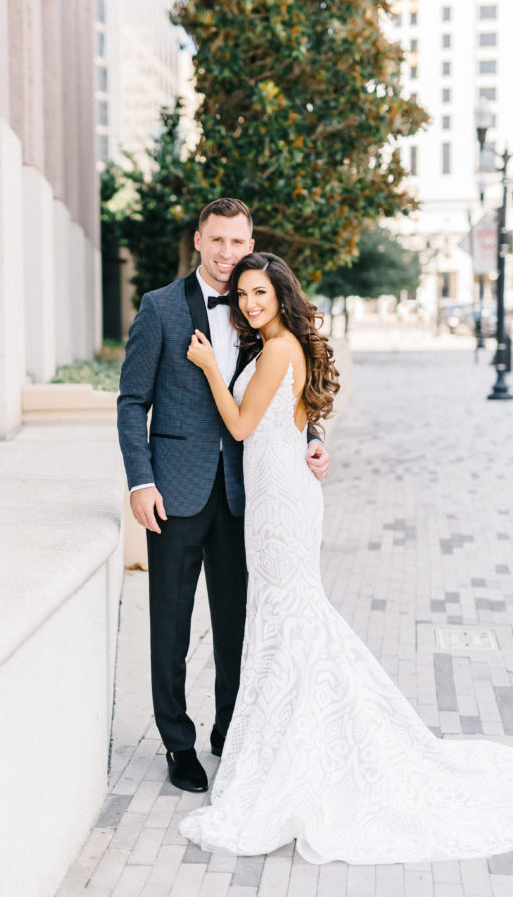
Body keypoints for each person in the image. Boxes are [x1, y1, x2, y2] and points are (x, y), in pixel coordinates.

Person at [179, 251, 513, 863]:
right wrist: (311, 441)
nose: (250, 303)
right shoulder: (274, 346)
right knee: (283, 620)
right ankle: (290, 739)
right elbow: (303, 417)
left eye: (259, 292)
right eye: (242, 296)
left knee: (292, 617)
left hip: (282, 503)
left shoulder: (282, 347)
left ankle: (309, 747)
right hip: (271, 496)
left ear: (280, 294)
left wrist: (210, 366)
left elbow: (238, 426)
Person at [117, 199, 330, 794]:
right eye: (217, 241)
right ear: (198, 240)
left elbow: (281, 391)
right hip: (174, 492)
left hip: (248, 496)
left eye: (237, 242)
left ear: (250, 241)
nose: (227, 253)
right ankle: (177, 742)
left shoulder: (255, 310)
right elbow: (132, 401)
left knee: (238, 621)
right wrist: (141, 480)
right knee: (171, 624)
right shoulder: (159, 308)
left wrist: (311, 438)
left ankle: (231, 729)